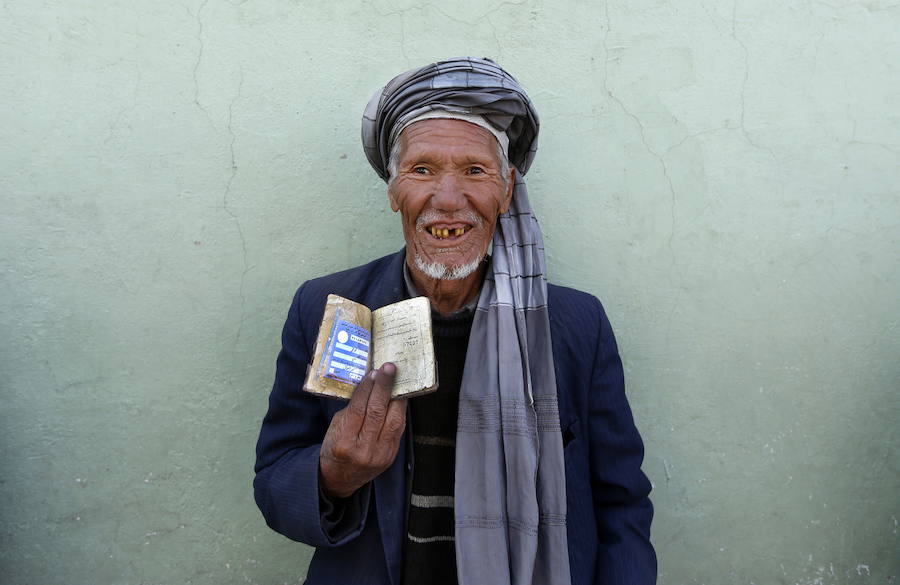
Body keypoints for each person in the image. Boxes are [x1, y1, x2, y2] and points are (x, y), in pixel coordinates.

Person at [254, 57, 656, 585]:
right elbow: (275, 481)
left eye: (474, 170)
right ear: (393, 188)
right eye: (422, 170)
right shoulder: (329, 308)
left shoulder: (576, 325)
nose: (448, 200)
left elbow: (620, 502)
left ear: (507, 190)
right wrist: (334, 474)